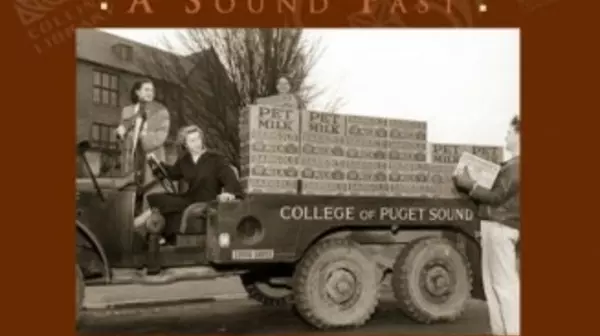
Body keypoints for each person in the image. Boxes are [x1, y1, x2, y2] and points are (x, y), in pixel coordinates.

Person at [453, 115, 521, 336]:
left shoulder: (517, 166)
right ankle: (500, 331)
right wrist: (469, 185)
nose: (506, 136)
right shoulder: (511, 165)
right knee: (492, 285)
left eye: (509, 133)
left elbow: (496, 197)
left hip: (502, 228)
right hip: (495, 227)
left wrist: (470, 185)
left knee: (504, 285)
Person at [146, 125, 242, 247]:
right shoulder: (185, 161)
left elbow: (229, 177)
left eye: (198, 139)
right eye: (192, 141)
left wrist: (230, 193)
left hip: (208, 198)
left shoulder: (215, 159)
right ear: (185, 144)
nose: (197, 143)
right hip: (190, 198)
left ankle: (169, 237)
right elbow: (172, 173)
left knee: (172, 205)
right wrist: (157, 164)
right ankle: (169, 236)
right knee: (155, 198)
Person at [115, 79, 170, 228]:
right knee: (129, 193)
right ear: (137, 92)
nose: (150, 92)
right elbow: (123, 133)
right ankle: (128, 231)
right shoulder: (127, 111)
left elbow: (161, 136)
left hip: (151, 158)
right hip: (131, 160)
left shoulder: (161, 111)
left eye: (152, 90)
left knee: (150, 193)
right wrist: (121, 135)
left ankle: (149, 232)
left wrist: (142, 137)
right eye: (146, 89)